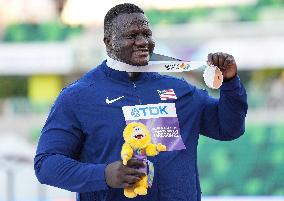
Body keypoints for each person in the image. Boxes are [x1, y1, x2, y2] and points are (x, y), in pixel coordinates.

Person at [34, 3, 248, 201]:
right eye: (132, 35)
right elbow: (46, 164)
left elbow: (228, 128)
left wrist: (230, 84)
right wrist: (105, 175)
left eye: (147, 34)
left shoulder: (181, 90)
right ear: (108, 42)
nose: (143, 41)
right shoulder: (77, 97)